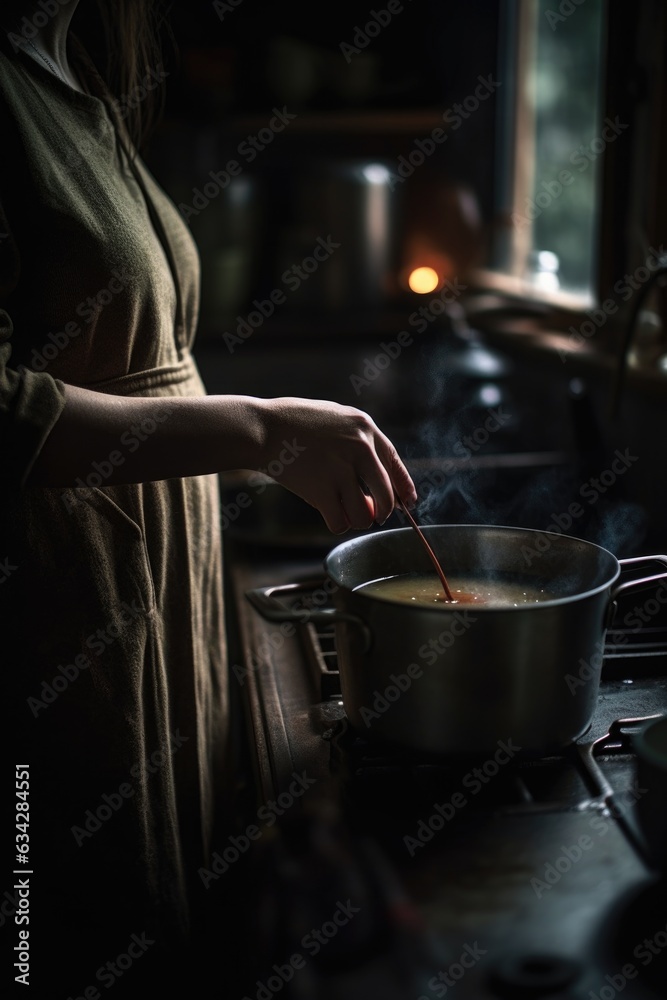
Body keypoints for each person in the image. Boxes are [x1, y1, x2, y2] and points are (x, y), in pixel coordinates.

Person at [0, 1, 417, 995]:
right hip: (57, 617)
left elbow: (126, 368)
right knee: (59, 935)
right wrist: (263, 431)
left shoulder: (71, 74)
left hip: (166, 599)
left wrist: (258, 447)